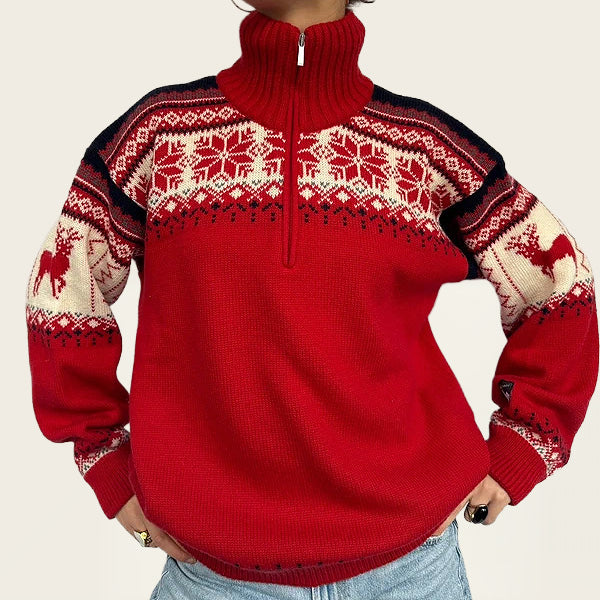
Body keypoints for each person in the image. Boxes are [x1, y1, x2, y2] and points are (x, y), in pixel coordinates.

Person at [24, 0, 598, 599]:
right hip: (215, 580)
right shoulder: (159, 137)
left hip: (410, 573)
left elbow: (560, 287)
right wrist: (107, 465)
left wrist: (523, 446)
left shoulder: (421, 149)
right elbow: (61, 295)